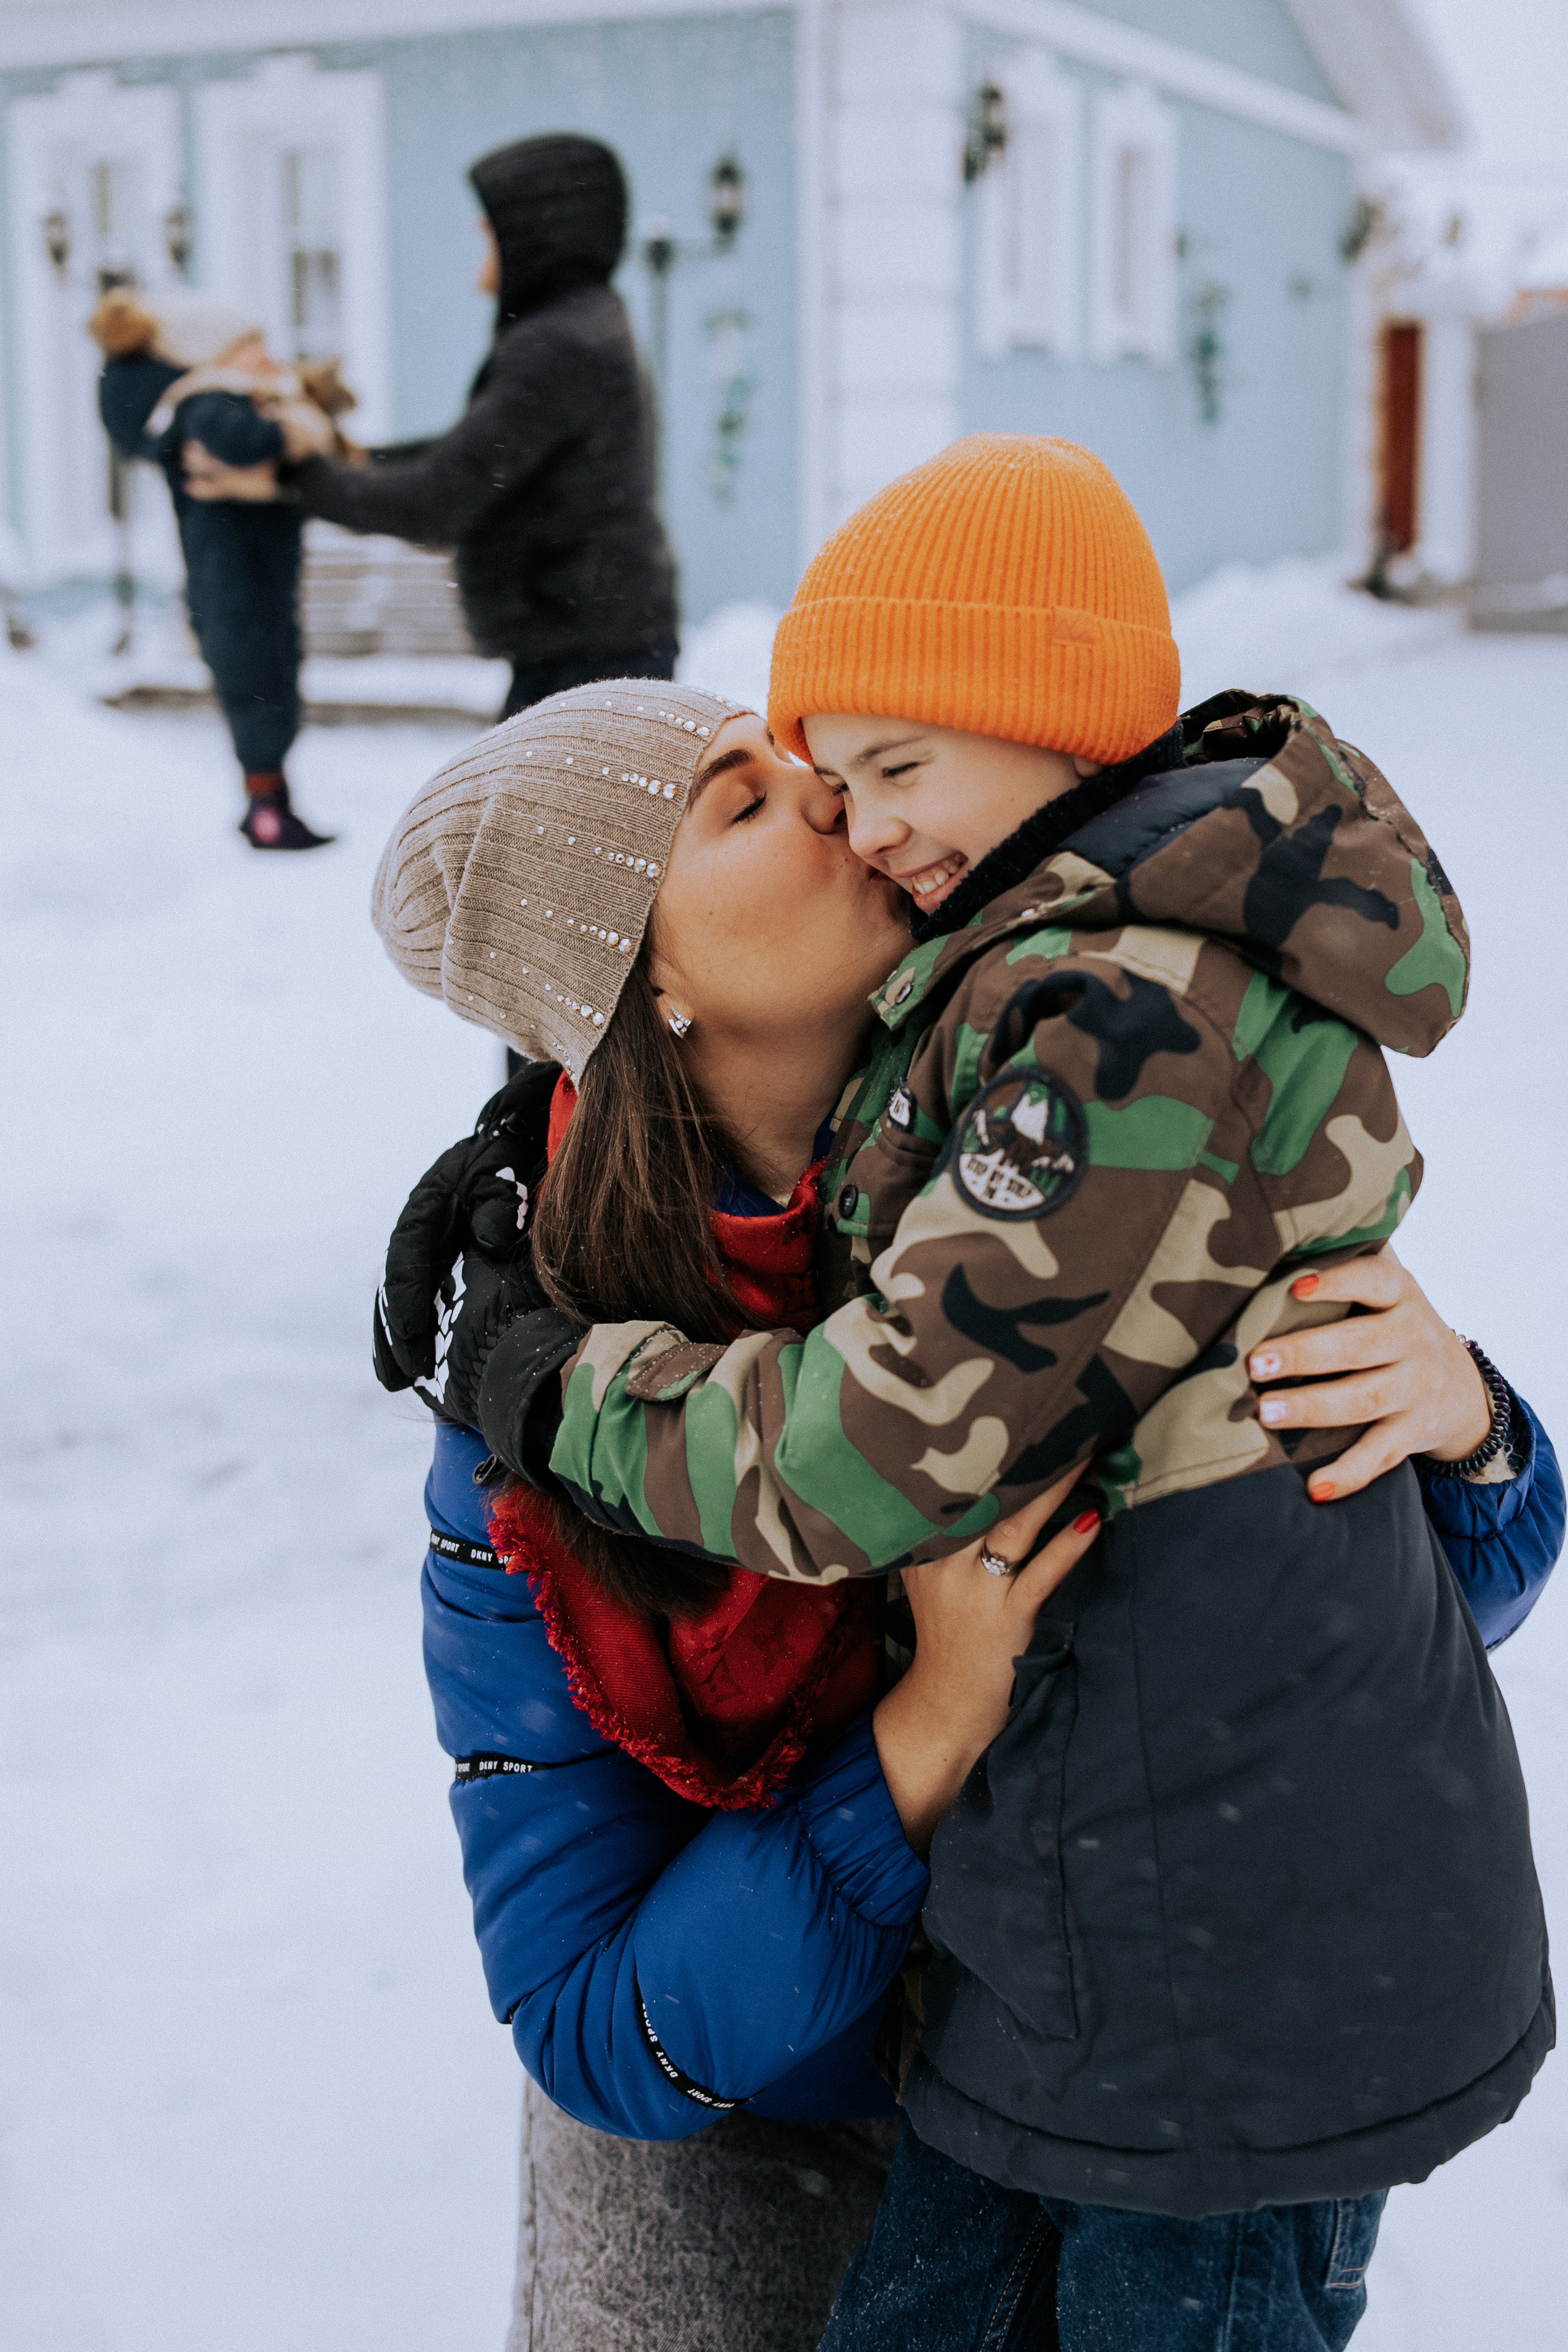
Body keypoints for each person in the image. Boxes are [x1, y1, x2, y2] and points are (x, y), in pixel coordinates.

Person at [418, 439, 1555, 2347]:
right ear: (645, 985)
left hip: (1159, 2007)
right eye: (760, 796)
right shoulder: (525, 1392)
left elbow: (1379, 1597)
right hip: (788, 2158)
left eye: (874, 767)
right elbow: (595, 2019)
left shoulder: (1064, 1064)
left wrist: (1472, 1425)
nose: (847, 816)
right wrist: (920, 1732)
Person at [184, 134, 678, 722]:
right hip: (594, 638)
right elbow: (468, 457)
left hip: (586, 654)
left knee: (529, 817)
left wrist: (291, 478)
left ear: (538, 234)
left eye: (493, 222)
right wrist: (351, 457)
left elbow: (440, 501)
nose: (478, 232)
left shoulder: (558, 346)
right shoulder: (579, 327)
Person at [92, 287, 341, 848]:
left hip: (249, 579)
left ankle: (270, 804)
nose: (265, 353)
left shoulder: (223, 398)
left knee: (269, 686)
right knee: (259, 689)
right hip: (233, 583)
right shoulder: (209, 401)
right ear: (218, 352)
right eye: (251, 344)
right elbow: (245, 444)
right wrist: (291, 429)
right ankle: (267, 815)